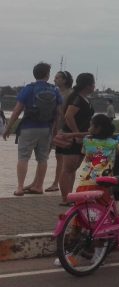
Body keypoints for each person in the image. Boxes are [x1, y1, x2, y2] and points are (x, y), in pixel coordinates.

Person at [3, 62, 63, 196]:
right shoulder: (54, 90)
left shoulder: (29, 88)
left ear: (35, 74)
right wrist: (55, 129)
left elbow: (17, 110)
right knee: (42, 159)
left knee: (23, 157)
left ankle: (19, 188)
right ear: (47, 75)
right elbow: (59, 112)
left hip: (28, 127)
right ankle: (39, 186)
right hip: (46, 128)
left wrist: (8, 127)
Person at [56, 73, 96, 204]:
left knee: (73, 168)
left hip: (81, 136)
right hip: (72, 137)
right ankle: (65, 198)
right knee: (67, 168)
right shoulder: (77, 98)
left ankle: (69, 196)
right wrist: (76, 134)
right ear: (87, 85)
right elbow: (68, 116)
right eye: (93, 84)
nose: (94, 86)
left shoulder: (84, 98)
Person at [45, 70, 74, 193]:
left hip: (64, 129)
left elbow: (67, 114)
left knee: (61, 157)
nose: (54, 80)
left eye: (57, 78)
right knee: (57, 156)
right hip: (54, 127)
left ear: (65, 80)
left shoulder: (70, 94)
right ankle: (56, 182)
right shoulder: (55, 92)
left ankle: (57, 183)